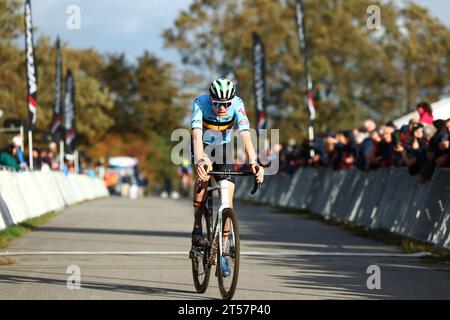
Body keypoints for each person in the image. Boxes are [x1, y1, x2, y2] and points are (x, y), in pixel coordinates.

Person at [190, 78, 264, 277]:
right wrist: (199, 160)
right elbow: (196, 136)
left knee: (227, 201)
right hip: (203, 148)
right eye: (217, 104)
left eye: (226, 104)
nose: (222, 108)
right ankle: (197, 227)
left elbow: (245, 136)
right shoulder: (200, 102)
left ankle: (222, 252)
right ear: (211, 100)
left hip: (223, 149)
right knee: (203, 182)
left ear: (232, 101)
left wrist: (254, 162)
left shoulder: (238, 105)